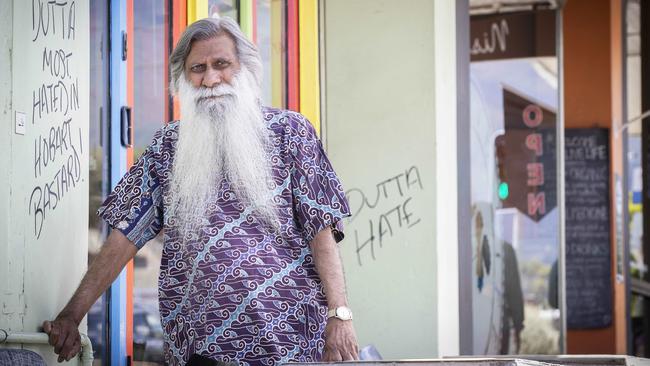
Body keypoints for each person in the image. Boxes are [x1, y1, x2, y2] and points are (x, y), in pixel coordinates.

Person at [42, 16, 358, 365]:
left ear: (246, 69)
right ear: (183, 79)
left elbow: (321, 230)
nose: (210, 79)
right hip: (200, 347)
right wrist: (72, 315)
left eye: (221, 64)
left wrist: (339, 314)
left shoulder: (291, 132)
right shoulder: (167, 147)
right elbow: (122, 238)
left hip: (289, 342)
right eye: (198, 68)